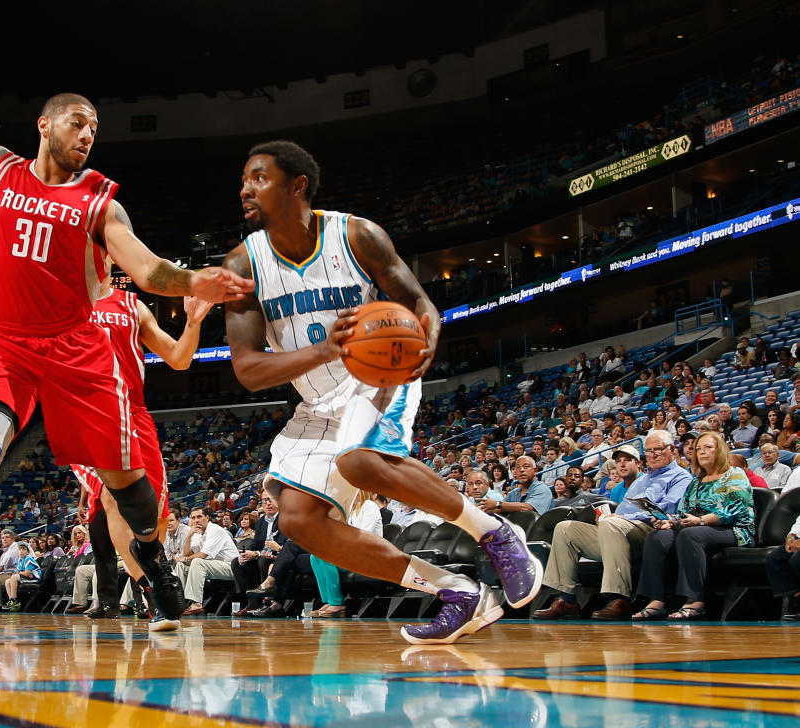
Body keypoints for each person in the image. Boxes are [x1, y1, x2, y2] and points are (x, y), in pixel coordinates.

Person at [0, 0, 252, 645]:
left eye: (95, 127)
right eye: (78, 121)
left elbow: (147, 269)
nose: (88, 134)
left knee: (124, 482)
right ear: (45, 123)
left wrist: (192, 280)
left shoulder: (100, 204)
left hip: (76, 347)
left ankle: (156, 563)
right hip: (0, 341)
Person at [222, 140, 540, 645]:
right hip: (317, 399)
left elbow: (420, 305)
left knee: (358, 460)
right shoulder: (242, 266)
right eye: (244, 179)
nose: (245, 188)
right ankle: (458, 591)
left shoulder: (357, 235)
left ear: (297, 186)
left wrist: (425, 343)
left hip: (379, 374)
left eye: (259, 177)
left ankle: (496, 534)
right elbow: (248, 369)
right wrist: (326, 350)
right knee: (299, 520)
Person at [70, 254, 212, 629]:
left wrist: (194, 321)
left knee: (156, 518)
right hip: (87, 411)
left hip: (134, 413)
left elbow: (179, 359)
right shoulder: (63, 302)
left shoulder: (132, 305)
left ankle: (153, 579)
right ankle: (150, 593)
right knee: (113, 498)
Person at [535, 435, 689, 620]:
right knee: (565, 528)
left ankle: (620, 598)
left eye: (658, 449)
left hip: (651, 530)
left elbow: (667, 510)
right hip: (618, 530)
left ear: (672, 450)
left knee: (611, 524)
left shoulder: (681, 476)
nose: (653, 454)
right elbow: (622, 509)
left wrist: (620, 518)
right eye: (649, 450)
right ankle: (567, 600)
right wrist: (607, 518)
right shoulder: (641, 480)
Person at [633, 432, 756, 620]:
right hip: (697, 528)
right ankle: (656, 599)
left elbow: (735, 508)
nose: (702, 452)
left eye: (708, 447)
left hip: (734, 530)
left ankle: (695, 600)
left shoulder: (734, 474)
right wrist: (670, 522)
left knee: (690, 535)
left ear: (720, 450)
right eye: (698, 449)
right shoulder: (697, 481)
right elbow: (683, 511)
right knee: (657, 537)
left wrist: (701, 521)